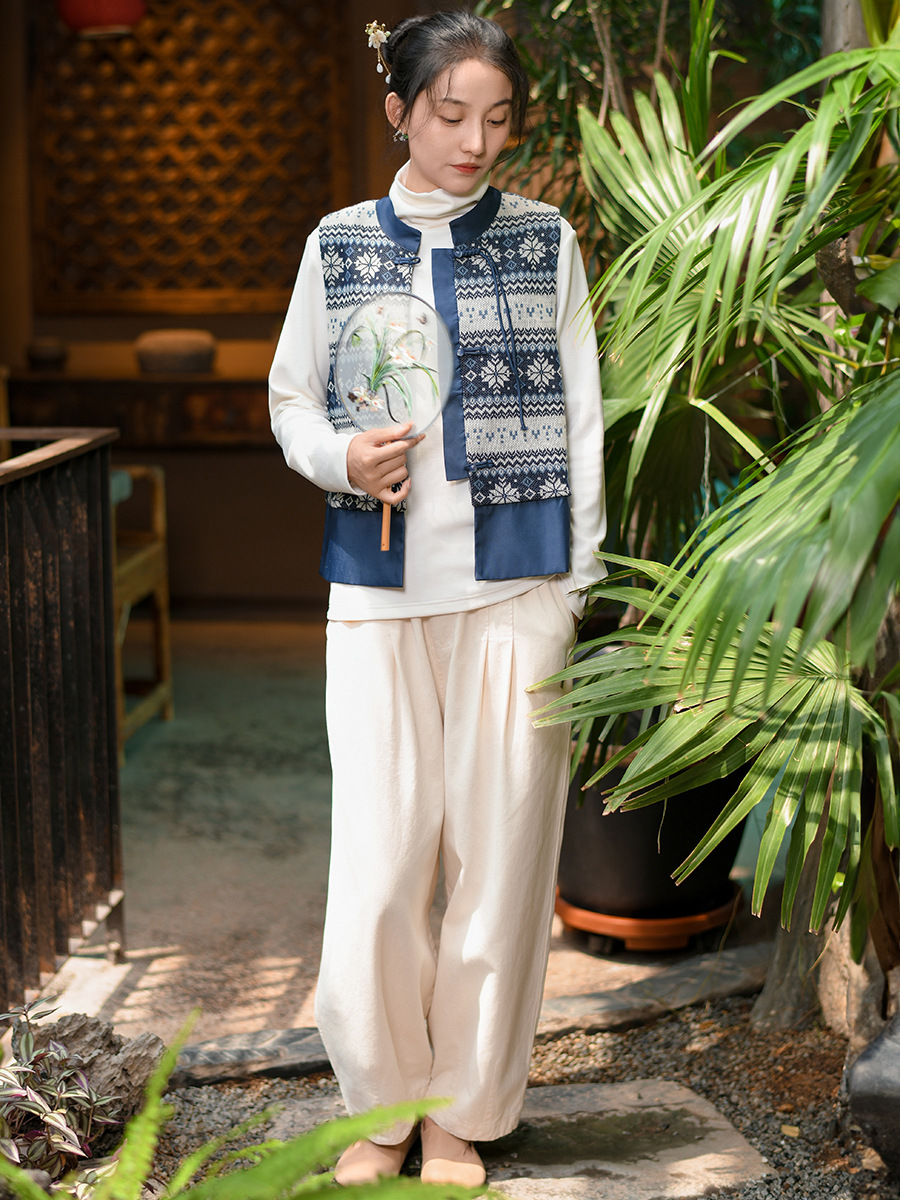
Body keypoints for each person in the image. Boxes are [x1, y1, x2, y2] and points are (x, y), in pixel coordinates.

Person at [268, 10, 605, 1187]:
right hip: (377, 592)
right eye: (451, 114)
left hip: (519, 589)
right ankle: (386, 1108)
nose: (475, 141)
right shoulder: (338, 245)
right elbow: (291, 399)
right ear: (399, 110)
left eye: (497, 119)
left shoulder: (545, 239)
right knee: (379, 865)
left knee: (501, 865)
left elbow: (584, 413)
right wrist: (339, 460)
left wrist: (573, 585)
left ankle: (462, 1113)